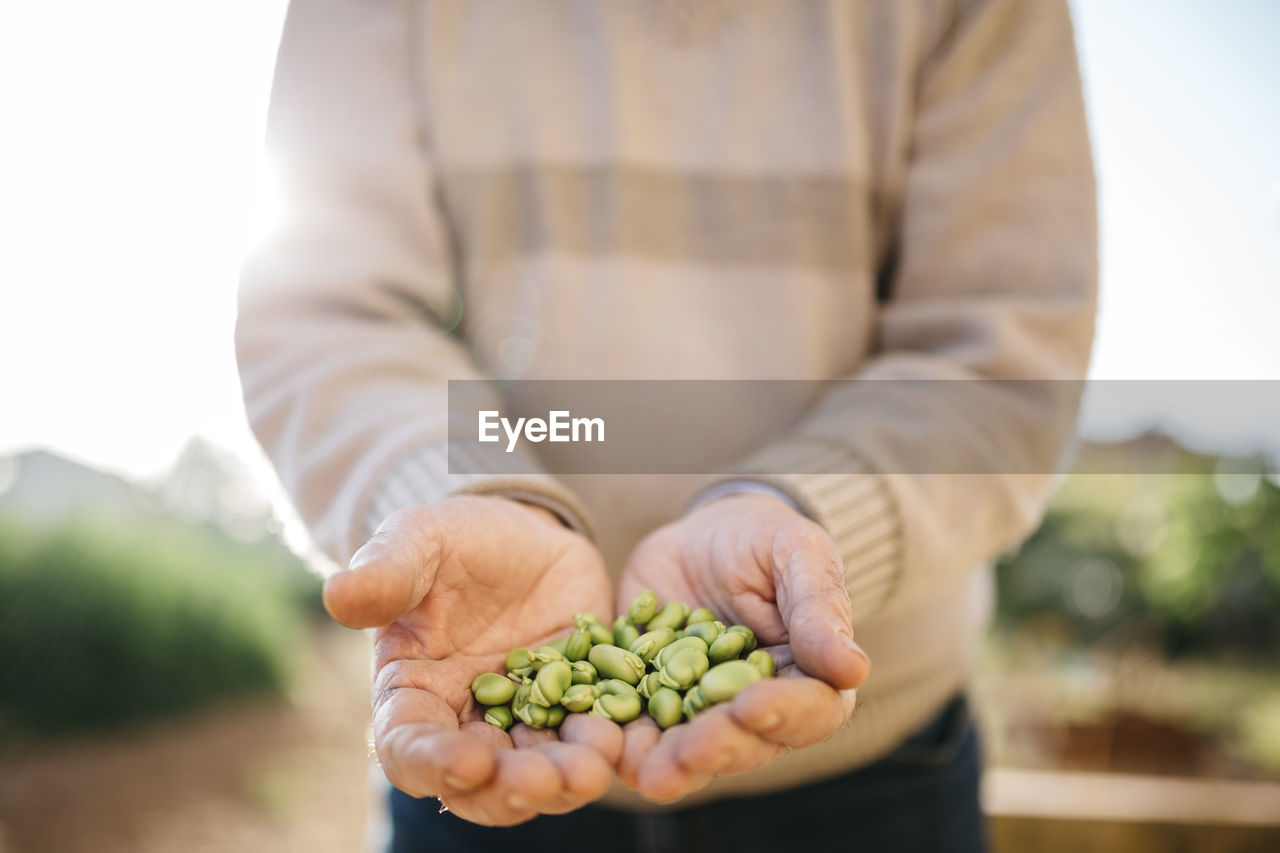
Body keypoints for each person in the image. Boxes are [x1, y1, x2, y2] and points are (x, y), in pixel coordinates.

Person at [236, 0, 1096, 850]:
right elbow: (326, 312)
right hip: (475, 745)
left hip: (878, 768)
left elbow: (1005, 351)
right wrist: (451, 484)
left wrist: (807, 515)